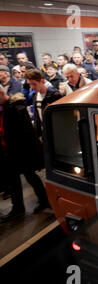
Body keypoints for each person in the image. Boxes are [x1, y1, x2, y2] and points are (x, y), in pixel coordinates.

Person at [0, 87, 50, 221]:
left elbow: (26, 134)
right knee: (14, 181)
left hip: (21, 152)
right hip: (10, 152)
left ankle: (44, 200)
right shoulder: (5, 107)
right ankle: (18, 208)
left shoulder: (16, 108)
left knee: (30, 176)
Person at [24, 69, 62, 138]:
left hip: (56, 133)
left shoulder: (55, 95)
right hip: (44, 133)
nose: (32, 87)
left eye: (34, 84)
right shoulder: (35, 95)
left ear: (42, 81)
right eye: (30, 84)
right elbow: (36, 116)